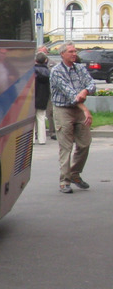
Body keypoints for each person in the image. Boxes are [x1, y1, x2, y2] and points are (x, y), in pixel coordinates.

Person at [49, 42, 95, 193]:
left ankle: (75, 173)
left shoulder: (80, 68)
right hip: (63, 110)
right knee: (66, 147)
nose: (74, 54)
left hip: (78, 110)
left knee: (84, 143)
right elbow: (69, 94)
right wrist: (86, 110)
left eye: (75, 51)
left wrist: (85, 91)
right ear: (62, 54)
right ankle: (64, 181)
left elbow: (91, 84)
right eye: (71, 51)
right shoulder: (56, 71)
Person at [33, 51, 51, 144]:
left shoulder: (32, 71)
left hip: (32, 97)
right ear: (45, 60)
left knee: (31, 120)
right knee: (41, 117)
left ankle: (31, 139)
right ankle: (42, 139)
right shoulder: (48, 72)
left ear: (35, 60)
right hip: (43, 97)